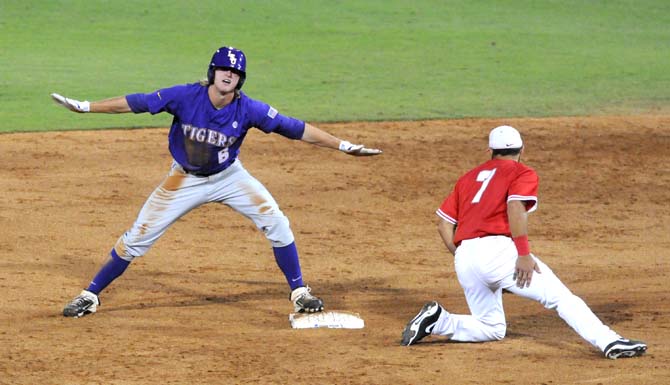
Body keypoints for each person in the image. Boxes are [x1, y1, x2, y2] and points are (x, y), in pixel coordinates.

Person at [51, 45, 382, 318]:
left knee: (276, 221)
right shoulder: (184, 96)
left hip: (228, 177)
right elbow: (136, 102)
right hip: (184, 179)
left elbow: (294, 128)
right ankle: (90, 295)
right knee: (137, 238)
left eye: (235, 72)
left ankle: (299, 292)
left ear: (240, 80)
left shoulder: (249, 108)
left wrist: (342, 145)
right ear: (213, 72)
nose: (229, 75)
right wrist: (86, 107)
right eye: (224, 69)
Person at [400, 125, 646, 359]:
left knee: (491, 328)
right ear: (521, 150)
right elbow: (515, 206)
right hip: (498, 251)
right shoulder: (522, 172)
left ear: (490, 151)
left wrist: (465, 258)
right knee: (560, 298)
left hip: (464, 255)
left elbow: (443, 224)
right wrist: (523, 254)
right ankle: (610, 342)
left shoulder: (467, 179)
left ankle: (438, 320)